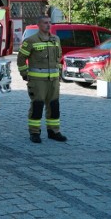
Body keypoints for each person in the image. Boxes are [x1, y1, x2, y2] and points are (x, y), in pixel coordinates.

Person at [17, 15, 68, 143]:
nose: (48, 25)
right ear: (38, 25)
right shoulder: (31, 40)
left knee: (54, 106)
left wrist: (59, 71)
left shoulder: (55, 39)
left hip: (54, 81)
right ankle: (34, 132)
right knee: (37, 105)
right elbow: (21, 58)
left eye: (50, 22)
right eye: (45, 23)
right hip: (37, 81)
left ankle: (54, 131)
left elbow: (59, 56)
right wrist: (24, 73)